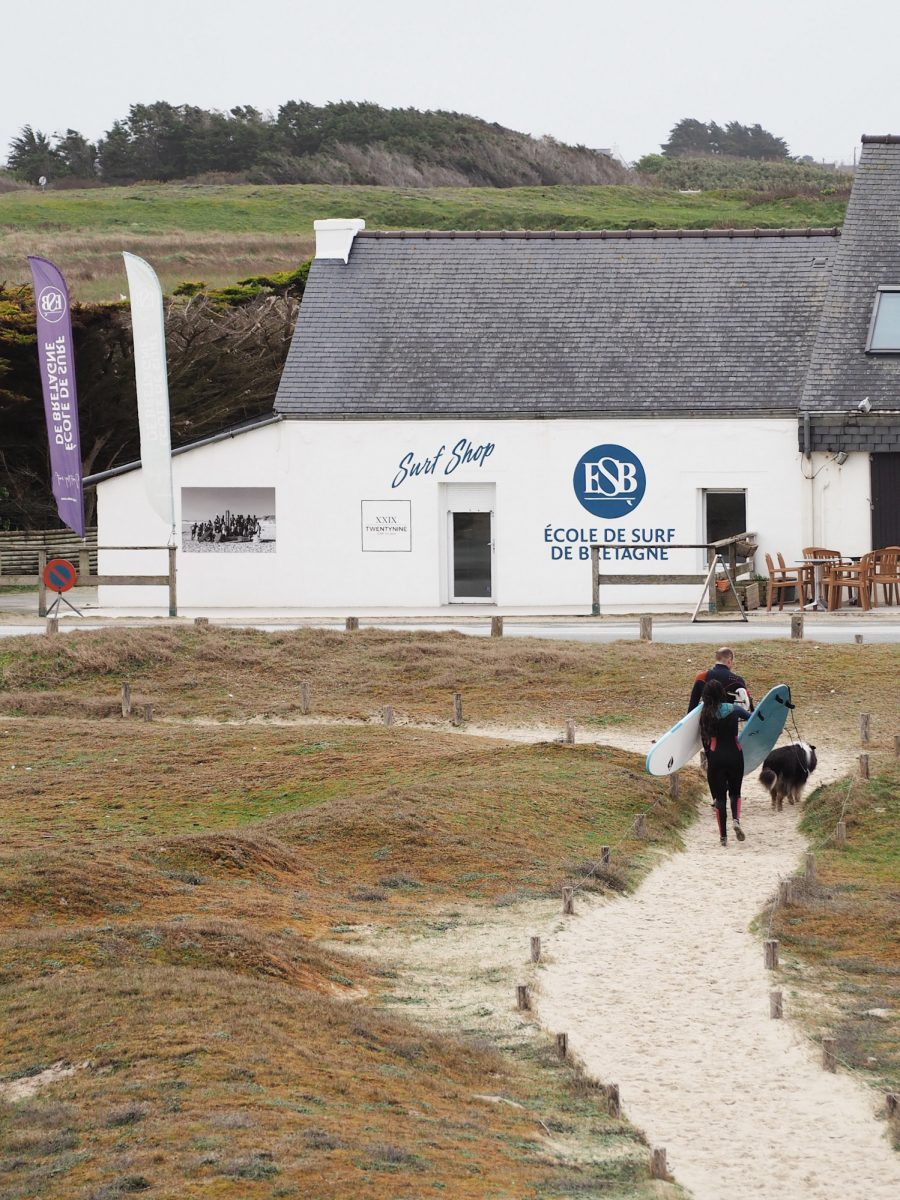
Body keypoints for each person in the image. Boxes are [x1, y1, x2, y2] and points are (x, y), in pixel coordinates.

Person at [699, 678, 752, 846]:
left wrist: (709, 758)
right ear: (722, 693)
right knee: (735, 793)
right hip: (735, 755)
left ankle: (723, 837)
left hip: (716, 757)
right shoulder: (734, 709)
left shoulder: (705, 714)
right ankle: (736, 820)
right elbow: (753, 719)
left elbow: (704, 740)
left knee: (720, 798)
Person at [688, 646, 753, 713]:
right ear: (729, 661)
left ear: (717, 659)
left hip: (707, 719)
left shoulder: (701, 677)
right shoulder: (738, 680)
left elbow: (692, 705)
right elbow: (747, 704)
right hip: (729, 719)